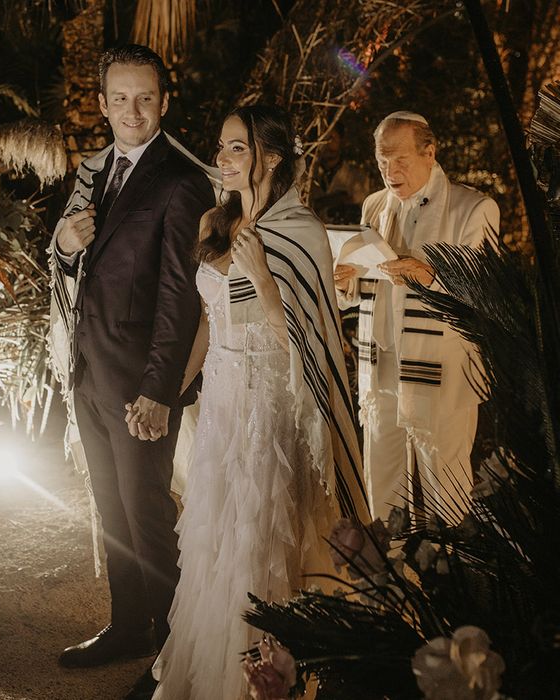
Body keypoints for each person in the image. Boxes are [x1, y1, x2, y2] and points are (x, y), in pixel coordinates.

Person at [150, 105, 369, 700]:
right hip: (220, 405)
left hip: (271, 409)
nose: (220, 159)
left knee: (263, 539)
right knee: (214, 541)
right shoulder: (211, 223)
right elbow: (205, 321)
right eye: (219, 147)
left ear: (271, 157)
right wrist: (170, 392)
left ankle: (268, 682)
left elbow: (308, 343)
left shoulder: (300, 232)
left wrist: (266, 282)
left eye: (235, 148)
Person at [48, 43, 215, 678]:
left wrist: (159, 389)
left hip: (140, 382)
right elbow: (72, 264)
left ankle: (177, 653)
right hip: (90, 371)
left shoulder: (181, 179)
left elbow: (181, 296)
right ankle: (128, 627)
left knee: (146, 509)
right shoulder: (95, 171)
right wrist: (65, 245)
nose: (132, 110)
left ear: (164, 101)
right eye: (119, 98)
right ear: (102, 103)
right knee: (111, 507)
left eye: (145, 98)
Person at [334, 111, 500, 521]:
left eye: (399, 158)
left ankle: (453, 575)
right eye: (381, 160)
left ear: (430, 151)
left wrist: (429, 274)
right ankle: (391, 573)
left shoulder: (473, 209)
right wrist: (343, 282)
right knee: (383, 484)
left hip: (438, 367)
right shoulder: (374, 205)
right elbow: (364, 291)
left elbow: (487, 295)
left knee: (444, 485)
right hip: (381, 363)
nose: (389, 170)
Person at [309, 121, 372, 224]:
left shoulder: (358, 177)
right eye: (324, 138)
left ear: (341, 140)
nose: (328, 143)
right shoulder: (305, 177)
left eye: (332, 138)